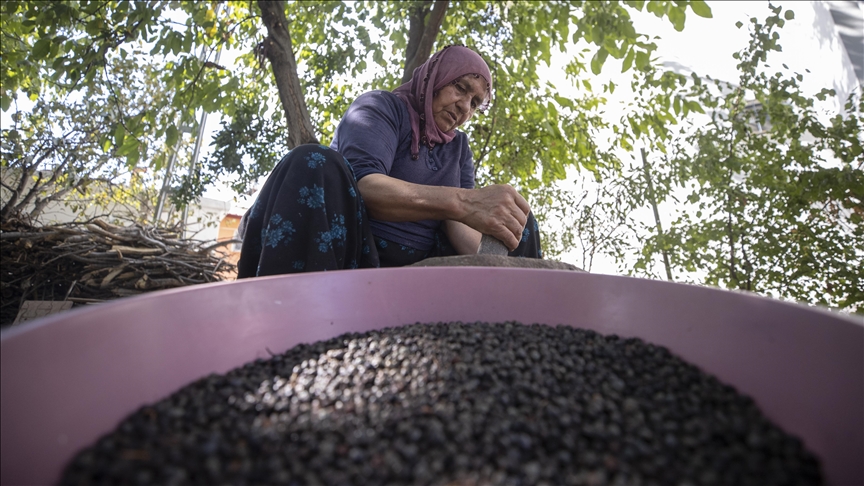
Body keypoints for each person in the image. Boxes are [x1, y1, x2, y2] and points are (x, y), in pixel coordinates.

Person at [237, 45, 542, 278]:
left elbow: (457, 225)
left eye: (475, 103)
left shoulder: (459, 147)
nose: (464, 107)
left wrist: (493, 239)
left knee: (517, 220)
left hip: (423, 269)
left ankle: (513, 334)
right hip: (355, 253)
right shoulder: (382, 108)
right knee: (313, 161)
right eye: (460, 88)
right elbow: (366, 188)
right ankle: (289, 314)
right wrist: (465, 201)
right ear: (435, 78)